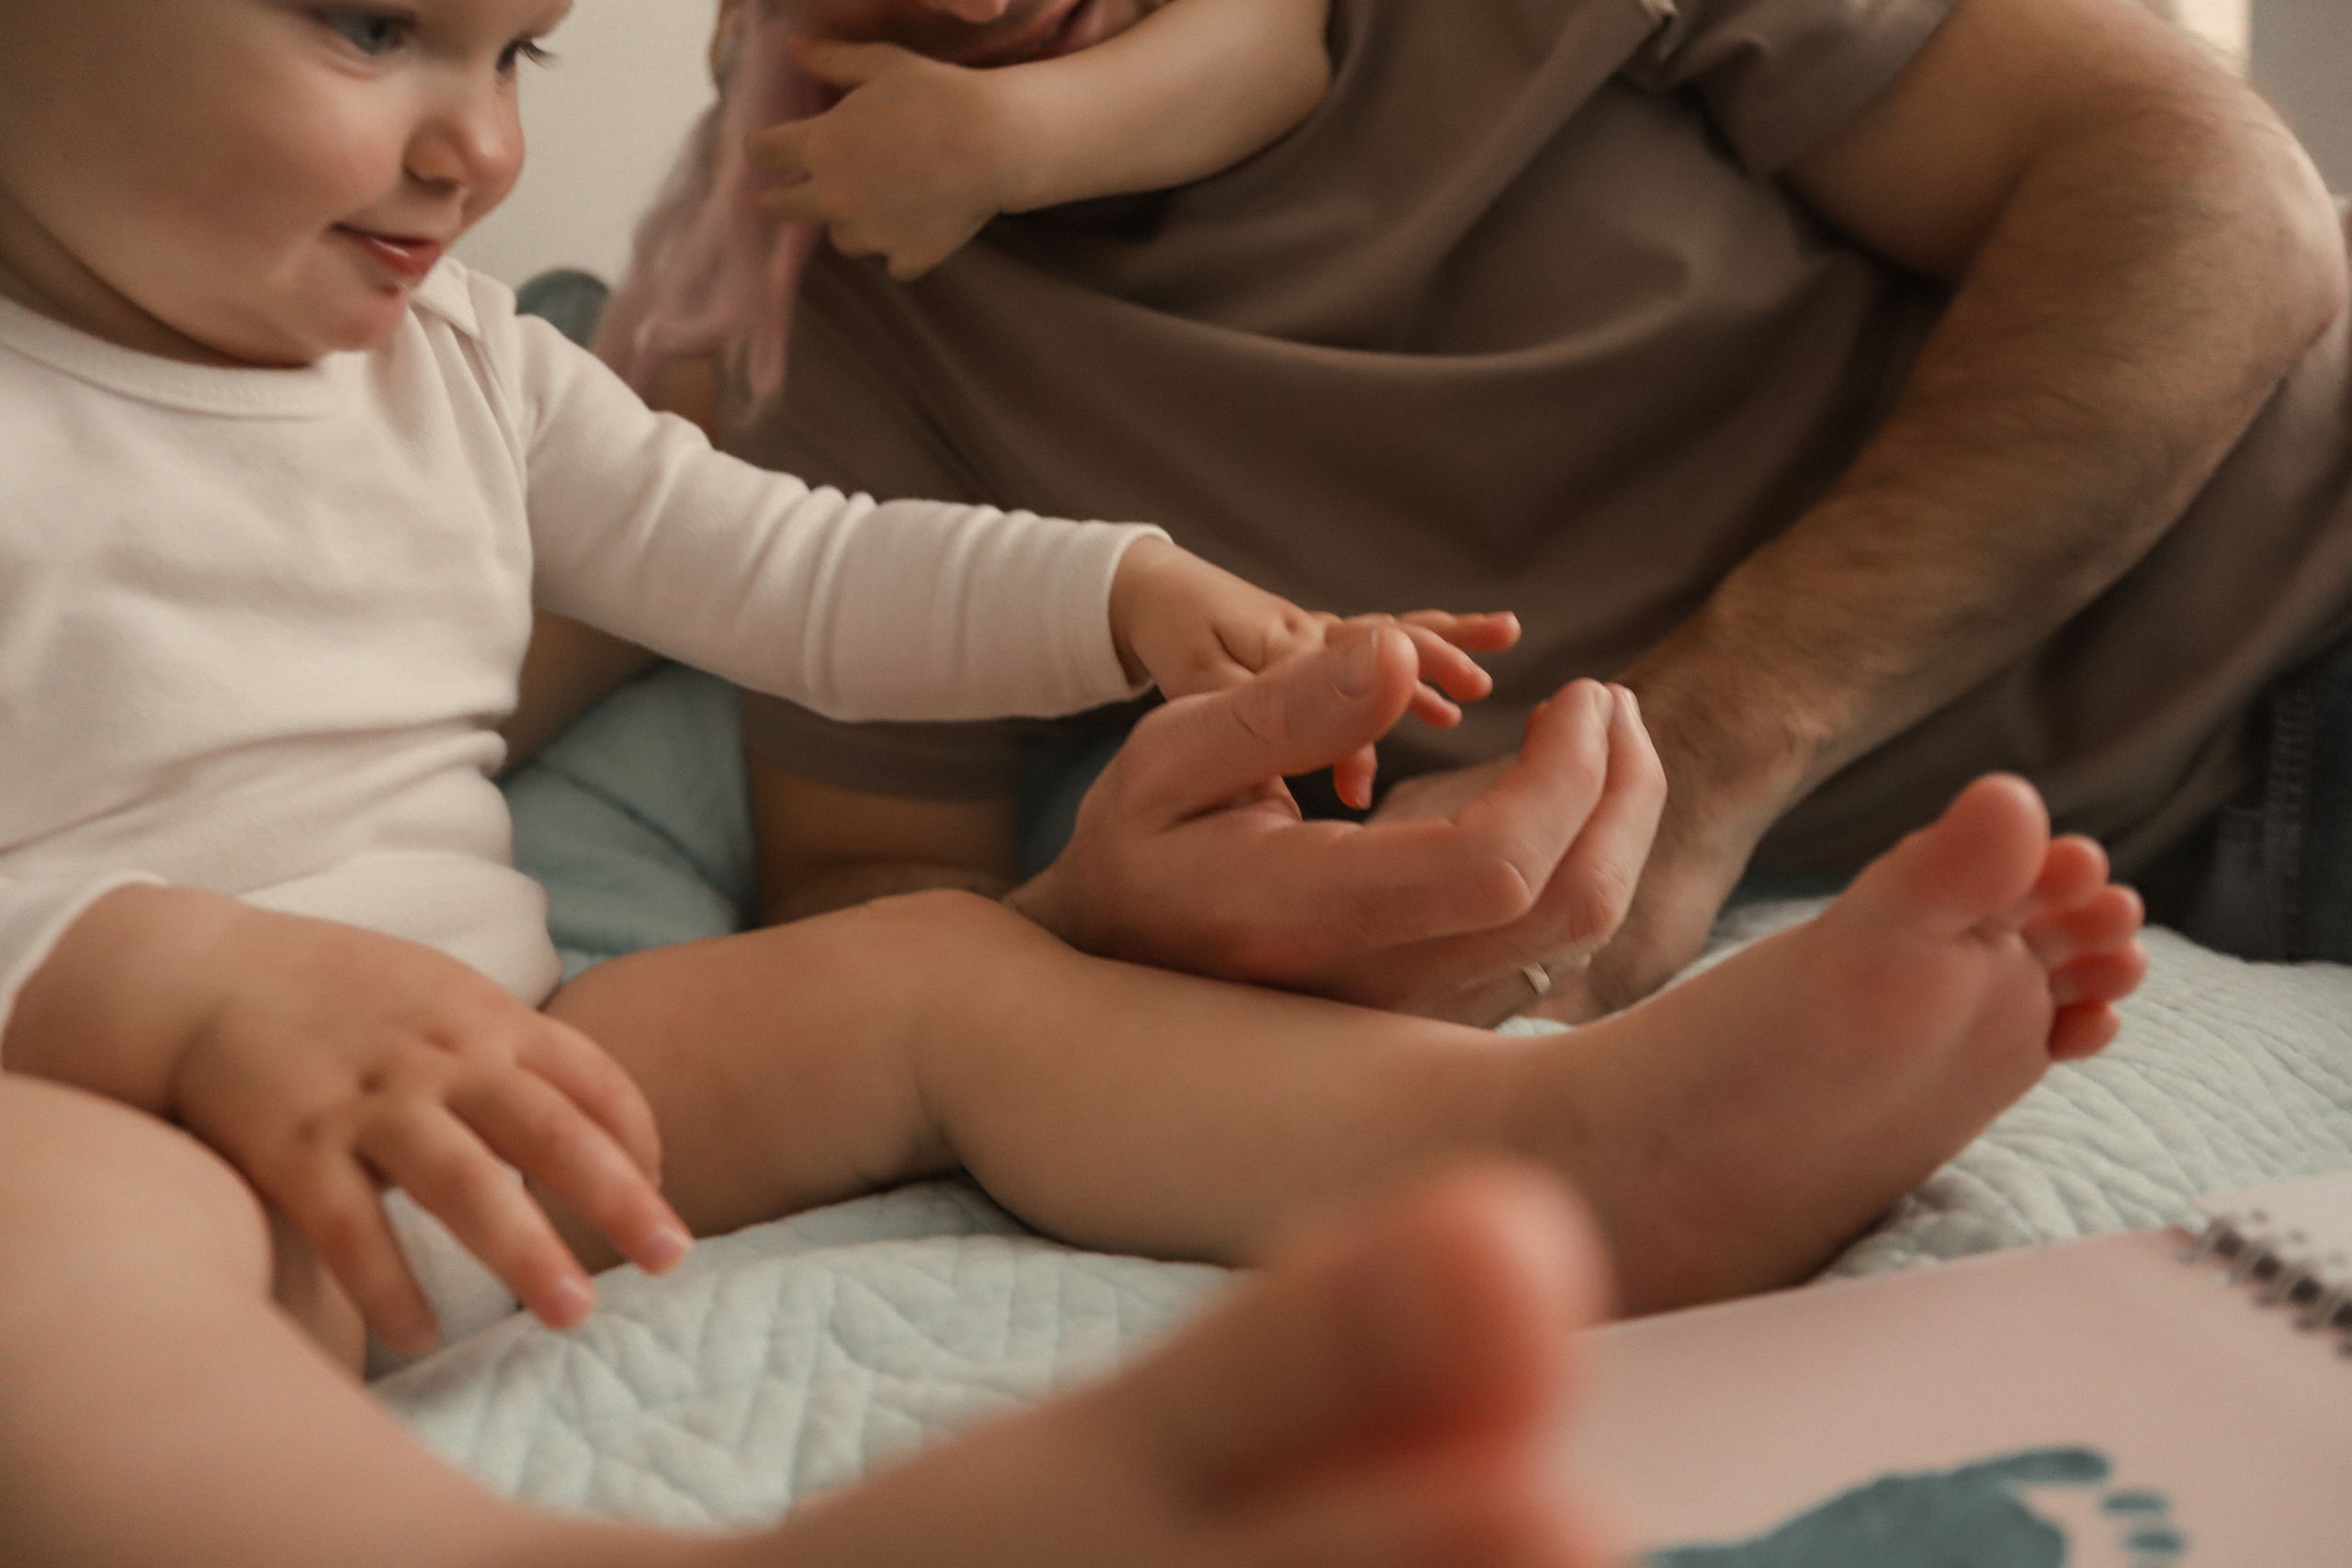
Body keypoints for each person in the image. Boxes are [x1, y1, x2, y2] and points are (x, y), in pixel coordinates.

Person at [0, 0, 2152, 1556]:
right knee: (40, 1216)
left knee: (943, 974)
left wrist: (1111, 592)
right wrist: (173, 982)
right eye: (372, 26)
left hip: (529, 1082)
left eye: (520, 53)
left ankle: (1571, 1149)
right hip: (135, 1143)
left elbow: (798, 566)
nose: (475, 145)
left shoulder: (468, 365)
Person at [598, 0, 2347, 1024]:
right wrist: (1140, 935)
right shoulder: (819, 311)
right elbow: (872, 888)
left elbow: (2222, 212)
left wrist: (1699, 763)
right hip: (2091, 886)